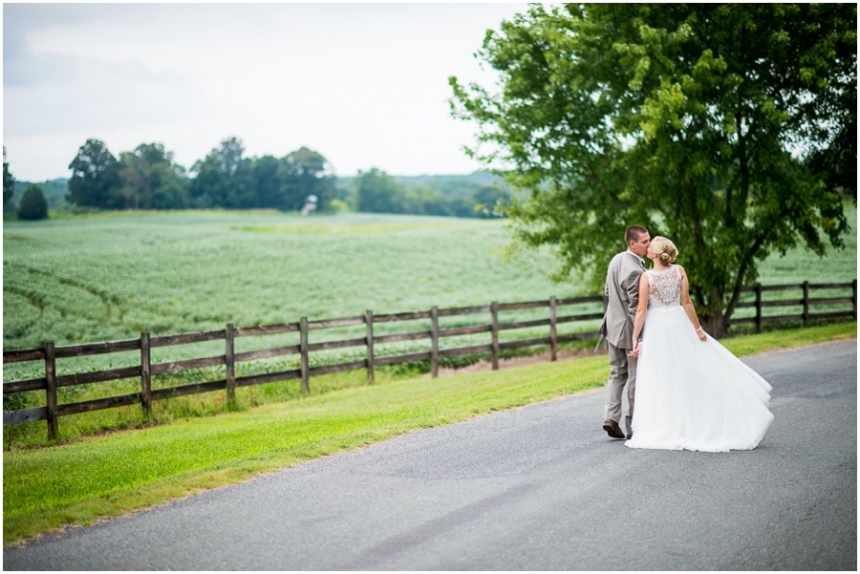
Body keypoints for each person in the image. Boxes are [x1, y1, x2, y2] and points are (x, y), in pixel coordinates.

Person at [625, 237, 774, 452]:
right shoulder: (679, 271)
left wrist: (635, 338)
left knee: (660, 375)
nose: (647, 247)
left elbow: (640, 310)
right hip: (678, 322)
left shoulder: (646, 276)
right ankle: (689, 420)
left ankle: (667, 425)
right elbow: (686, 302)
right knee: (685, 371)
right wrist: (697, 329)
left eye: (651, 245)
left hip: (657, 327)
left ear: (656, 254)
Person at [598, 225, 650, 439]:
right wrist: (638, 338)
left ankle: (610, 418)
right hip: (628, 332)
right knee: (635, 378)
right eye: (645, 242)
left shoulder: (616, 259)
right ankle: (633, 426)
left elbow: (608, 292)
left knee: (616, 374)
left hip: (611, 326)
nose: (649, 245)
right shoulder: (635, 271)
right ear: (632, 243)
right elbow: (635, 309)